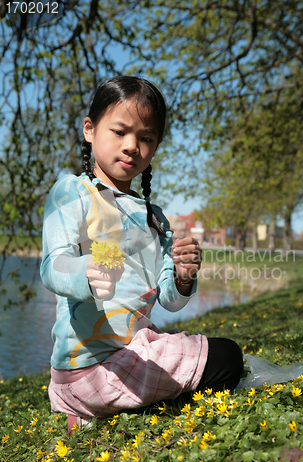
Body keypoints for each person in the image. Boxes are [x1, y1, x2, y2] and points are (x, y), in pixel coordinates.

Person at [40, 75, 243, 431]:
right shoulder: (72, 192)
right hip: (88, 368)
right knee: (226, 357)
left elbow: (167, 298)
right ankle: (95, 403)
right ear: (89, 129)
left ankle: (109, 405)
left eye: (146, 138)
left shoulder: (154, 218)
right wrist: (86, 271)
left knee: (220, 351)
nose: (132, 146)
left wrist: (183, 275)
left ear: (155, 146)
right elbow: (52, 267)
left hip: (133, 351)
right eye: (119, 132)